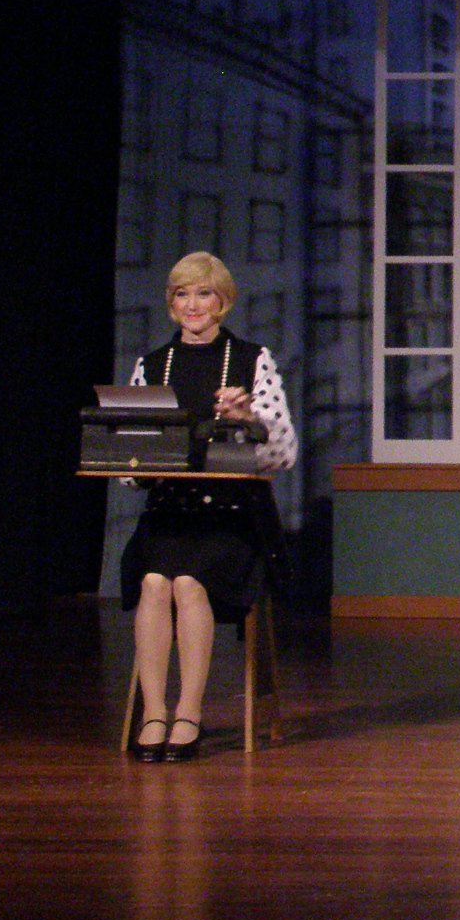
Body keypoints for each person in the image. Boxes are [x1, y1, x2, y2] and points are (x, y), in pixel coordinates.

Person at [122, 253, 296, 762]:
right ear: (171, 303)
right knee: (154, 582)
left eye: (203, 293)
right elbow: (132, 465)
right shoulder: (151, 365)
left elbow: (282, 453)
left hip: (230, 516)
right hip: (169, 513)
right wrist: (140, 460)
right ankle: (155, 713)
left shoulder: (251, 359)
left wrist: (247, 420)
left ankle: (188, 713)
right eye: (182, 294)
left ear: (223, 301)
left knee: (188, 582)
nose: (192, 304)